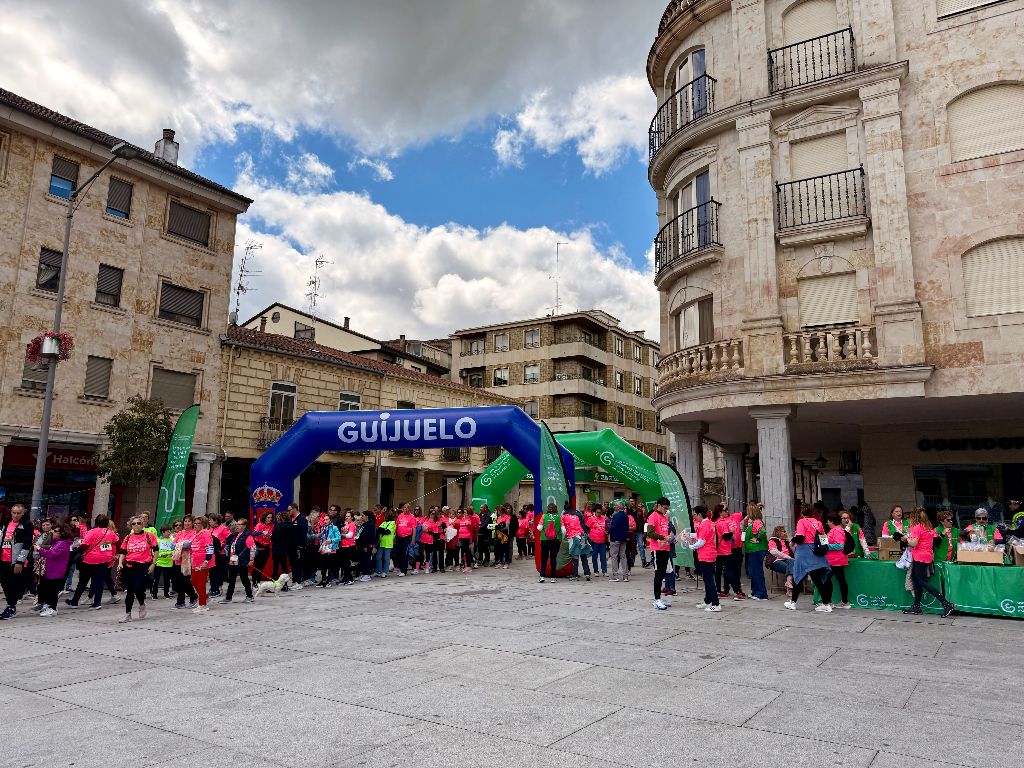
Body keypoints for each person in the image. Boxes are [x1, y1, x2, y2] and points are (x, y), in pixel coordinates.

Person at [903, 508, 955, 618]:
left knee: (922, 581)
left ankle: (946, 603)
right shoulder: (928, 527)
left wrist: (906, 538)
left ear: (915, 517)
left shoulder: (917, 527)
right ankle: (916, 606)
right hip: (927, 556)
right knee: (916, 581)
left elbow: (914, 543)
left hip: (919, 557)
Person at [66, 514, 119, 611]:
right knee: (99, 581)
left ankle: (75, 601)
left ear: (96, 522)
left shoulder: (92, 531)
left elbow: (85, 545)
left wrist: (78, 548)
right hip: (105, 559)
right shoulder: (110, 533)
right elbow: (116, 542)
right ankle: (97, 603)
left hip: (90, 559)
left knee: (83, 581)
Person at [786, 507, 833, 612]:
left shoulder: (801, 521)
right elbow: (824, 538)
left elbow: (800, 538)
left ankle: (793, 603)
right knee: (818, 580)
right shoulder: (818, 523)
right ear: (812, 513)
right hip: (817, 553)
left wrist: (792, 539)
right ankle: (826, 604)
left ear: (802, 513)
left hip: (804, 553)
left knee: (798, 578)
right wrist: (824, 550)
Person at [116, 516, 157, 623]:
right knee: (130, 591)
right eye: (134, 524)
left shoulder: (149, 535)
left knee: (138, 589)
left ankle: (142, 604)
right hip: (130, 566)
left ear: (142, 524)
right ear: (131, 526)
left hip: (144, 566)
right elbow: (123, 552)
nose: (136, 525)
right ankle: (128, 614)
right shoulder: (128, 537)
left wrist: (153, 564)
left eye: (139, 523)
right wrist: (120, 563)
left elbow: (156, 549)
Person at [36, 519, 73, 617]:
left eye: (56, 531)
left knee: (53, 590)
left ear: (62, 533)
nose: (53, 532)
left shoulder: (62, 543)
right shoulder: (57, 542)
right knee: (49, 589)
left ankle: (53, 608)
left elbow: (51, 554)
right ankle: (49, 605)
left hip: (56, 571)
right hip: (51, 569)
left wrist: (39, 549)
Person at [688, 505, 720, 612]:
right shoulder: (709, 523)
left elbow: (701, 542)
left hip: (706, 555)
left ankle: (716, 604)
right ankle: (708, 601)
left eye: (694, 515)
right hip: (709, 554)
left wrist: (691, 546)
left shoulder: (704, 524)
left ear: (699, 514)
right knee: (708, 580)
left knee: (709, 580)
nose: (693, 517)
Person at [220, 518, 256, 604]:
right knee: (231, 579)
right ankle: (228, 598)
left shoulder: (248, 536)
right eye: (237, 524)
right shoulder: (235, 535)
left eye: (239, 524)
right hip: (233, 560)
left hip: (242, 560)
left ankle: (250, 596)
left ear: (244, 526)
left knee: (244, 578)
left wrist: (251, 560)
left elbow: (252, 548)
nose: (237, 526)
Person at [646, 497, 672, 611]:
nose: (666, 510)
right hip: (657, 549)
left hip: (665, 548)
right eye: (665, 508)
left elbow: (665, 532)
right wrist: (663, 537)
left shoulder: (664, 517)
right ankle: (656, 600)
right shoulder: (653, 516)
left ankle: (659, 598)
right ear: (659, 506)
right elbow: (650, 533)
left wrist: (671, 538)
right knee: (658, 574)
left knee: (662, 574)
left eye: (667, 509)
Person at [824, 513, 851, 609]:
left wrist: (826, 546)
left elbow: (840, 545)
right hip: (836, 560)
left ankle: (829, 602)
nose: (827, 523)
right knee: (840, 579)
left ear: (831, 521)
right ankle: (844, 602)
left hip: (836, 560)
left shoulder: (837, 531)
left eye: (827, 521)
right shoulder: (836, 530)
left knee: (828, 579)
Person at [171, 515, 199, 609]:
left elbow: (188, 545)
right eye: (185, 521)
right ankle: (180, 602)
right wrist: (181, 544)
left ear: (192, 523)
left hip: (188, 560)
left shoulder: (194, 533)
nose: (186, 523)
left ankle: (193, 597)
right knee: (178, 582)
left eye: (189, 521)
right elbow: (172, 545)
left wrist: (179, 544)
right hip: (178, 559)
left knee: (185, 581)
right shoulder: (180, 533)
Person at [189, 516, 215, 613]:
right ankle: (205, 597)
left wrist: (206, 561)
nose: (195, 525)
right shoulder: (194, 534)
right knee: (193, 581)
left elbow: (210, 547)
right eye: (195, 523)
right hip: (195, 561)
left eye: (198, 523)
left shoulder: (206, 533)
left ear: (203, 524)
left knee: (200, 582)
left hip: (203, 561)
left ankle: (202, 604)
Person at [742, 504, 769, 601]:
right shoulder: (754, 522)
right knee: (753, 571)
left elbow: (763, 532)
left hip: (757, 550)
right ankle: (756, 592)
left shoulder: (757, 522)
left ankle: (761, 594)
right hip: (753, 549)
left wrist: (757, 540)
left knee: (757, 572)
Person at [536, 502, 564, 583]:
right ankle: (553, 577)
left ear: (548, 509)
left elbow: (539, 528)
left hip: (545, 539)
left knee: (544, 558)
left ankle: (542, 576)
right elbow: (563, 530)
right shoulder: (559, 517)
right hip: (556, 540)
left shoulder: (544, 516)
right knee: (553, 558)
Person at [563, 506, 592, 582]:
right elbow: (583, 525)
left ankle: (575, 575)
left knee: (575, 557)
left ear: (565, 510)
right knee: (583, 556)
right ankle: (587, 574)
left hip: (573, 538)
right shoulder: (578, 515)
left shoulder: (564, 516)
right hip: (582, 536)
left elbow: (563, 530)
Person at [207, 512, 231, 597]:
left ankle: (218, 587)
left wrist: (224, 545)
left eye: (211, 520)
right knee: (212, 572)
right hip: (212, 553)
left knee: (218, 571)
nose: (209, 521)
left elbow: (230, 539)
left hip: (221, 554)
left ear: (216, 520)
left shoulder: (223, 528)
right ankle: (213, 587)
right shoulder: (210, 529)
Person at [767, 525, 795, 596]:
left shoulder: (785, 541)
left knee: (793, 564)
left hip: (788, 560)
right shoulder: (772, 540)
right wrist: (787, 557)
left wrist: (789, 539)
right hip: (776, 560)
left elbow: (794, 549)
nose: (785, 533)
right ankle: (789, 588)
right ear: (778, 532)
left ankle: (788, 583)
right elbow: (774, 552)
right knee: (791, 568)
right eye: (783, 531)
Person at [608, 500, 630, 582]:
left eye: (615, 505)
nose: (614, 506)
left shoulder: (616, 515)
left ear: (618, 507)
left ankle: (615, 576)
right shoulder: (625, 515)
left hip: (615, 538)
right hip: (623, 538)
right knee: (623, 556)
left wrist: (608, 531)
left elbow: (613, 526)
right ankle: (625, 576)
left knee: (614, 557)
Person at [316, 512, 341, 586]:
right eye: (324, 520)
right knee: (323, 565)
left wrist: (331, 541)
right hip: (324, 548)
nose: (325, 521)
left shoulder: (334, 528)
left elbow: (338, 538)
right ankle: (323, 580)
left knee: (330, 565)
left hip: (331, 548)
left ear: (330, 520)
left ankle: (328, 580)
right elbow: (321, 537)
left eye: (327, 519)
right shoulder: (323, 528)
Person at [288, 503, 309, 589]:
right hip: (292, 546)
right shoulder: (291, 519)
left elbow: (303, 533)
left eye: (289, 510)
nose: (288, 512)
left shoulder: (302, 519)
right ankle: (294, 581)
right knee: (293, 563)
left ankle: (298, 582)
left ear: (295, 509)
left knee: (298, 563)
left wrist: (300, 545)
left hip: (299, 546)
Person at [271, 509, 294, 585]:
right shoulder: (290, 526)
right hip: (285, 548)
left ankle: (274, 584)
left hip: (277, 548)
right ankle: (285, 585)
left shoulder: (278, 527)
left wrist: (271, 536)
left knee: (275, 567)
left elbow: (274, 538)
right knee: (284, 567)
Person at [152, 525, 175, 599]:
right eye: (167, 531)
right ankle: (154, 594)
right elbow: (154, 551)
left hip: (169, 564)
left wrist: (168, 554)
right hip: (159, 563)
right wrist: (161, 555)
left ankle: (166, 594)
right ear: (163, 532)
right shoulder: (158, 541)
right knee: (156, 579)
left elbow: (174, 550)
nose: (169, 532)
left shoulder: (172, 540)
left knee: (167, 580)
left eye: (170, 531)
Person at [394, 503, 416, 577]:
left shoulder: (412, 517)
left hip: (407, 537)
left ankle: (404, 571)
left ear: (409, 509)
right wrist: (395, 535)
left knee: (404, 554)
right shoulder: (400, 515)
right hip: (399, 537)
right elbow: (397, 525)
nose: (405, 509)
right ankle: (400, 569)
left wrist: (413, 539)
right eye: (404, 507)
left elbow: (414, 528)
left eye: (407, 508)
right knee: (399, 554)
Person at [252, 511, 274, 584]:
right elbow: (253, 533)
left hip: (266, 547)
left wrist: (271, 536)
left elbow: (273, 535)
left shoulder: (272, 526)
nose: (270, 519)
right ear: (264, 518)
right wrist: (262, 532)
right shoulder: (259, 525)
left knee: (262, 566)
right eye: (268, 517)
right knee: (256, 566)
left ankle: (258, 582)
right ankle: (254, 583)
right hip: (258, 547)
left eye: (271, 517)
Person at [356, 509, 377, 581]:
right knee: (362, 560)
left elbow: (369, 537)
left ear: (367, 516)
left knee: (367, 559)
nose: (361, 517)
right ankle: (363, 573)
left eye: (363, 516)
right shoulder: (363, 524)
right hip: (361, 545)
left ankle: (367, 574)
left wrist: (366, 546)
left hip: (367, 546)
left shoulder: (370, 525)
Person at [587, 505, 608, 577]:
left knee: (603, 557)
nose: (598, 513)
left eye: (600, 512)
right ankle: (596, 571)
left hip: (602, 540)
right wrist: (589, 537)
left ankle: (604, 571)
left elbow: (607, 527)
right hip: (594, 541)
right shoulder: (591, 519)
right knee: (594, 556)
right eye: (597, 512)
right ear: (595, 512)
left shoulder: (604, 518)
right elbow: (587, 528)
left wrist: (606, 532)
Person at [339, 511, 357, 585]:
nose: (346, 517)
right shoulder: (346, 524)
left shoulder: (352, 525)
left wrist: (341, 534)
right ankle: (345, 578)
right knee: (343, 563)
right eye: (346, 516)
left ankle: (350, 578)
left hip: (348, 546)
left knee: (346, 563)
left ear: (352, 517)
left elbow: (350, 535)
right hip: (343, 545)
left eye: (348, 516)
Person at [375, 510, 395, 577]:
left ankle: (385, 572)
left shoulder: (392, 523)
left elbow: (387, 532)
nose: (384, 517)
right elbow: (379, 530)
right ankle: (378, 571)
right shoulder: (384, 522)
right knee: (378, 557)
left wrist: (382, 530)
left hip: (388, 543)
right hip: (381, 542)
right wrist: (383, 530)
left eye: (385, 516)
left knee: (386, 558)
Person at [456, 507, 475, 573]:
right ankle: (466, 565)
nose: (463, 514)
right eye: (463, 512)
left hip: (466, 537)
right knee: (464, 551)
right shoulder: (462, 519)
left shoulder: (470, 519)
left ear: (468, 513)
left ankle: (469, 566)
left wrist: (468, 524)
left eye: (465, 512)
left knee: (467, 551)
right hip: (461, 537)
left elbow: (472, 529)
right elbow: (459, 527)